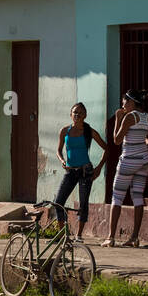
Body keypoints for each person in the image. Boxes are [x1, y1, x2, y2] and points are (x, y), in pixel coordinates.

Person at [103, 88, 148, 247]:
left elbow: (117, 140)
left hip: (128, 161)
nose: (122, 105)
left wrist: (118, 118)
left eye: (124, 102)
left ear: (132, 102)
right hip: (144, 160)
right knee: (138, 197)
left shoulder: (129, 117)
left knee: (117, 196)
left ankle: (110, 237)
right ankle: (134, 238)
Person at [53, 102, 106, 242]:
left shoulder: (89, 131)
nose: (77, 115)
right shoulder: (64, 131)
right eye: (75, 112)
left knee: (83, 204)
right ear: (70, 114)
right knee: (58, 202)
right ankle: (63, 234)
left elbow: (107, 148)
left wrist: (99, 167)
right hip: (70, 171)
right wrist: (62, 161)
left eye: (80, 113)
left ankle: (79, 235)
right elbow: (58, 150)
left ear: (85, 116)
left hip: (85, 171)